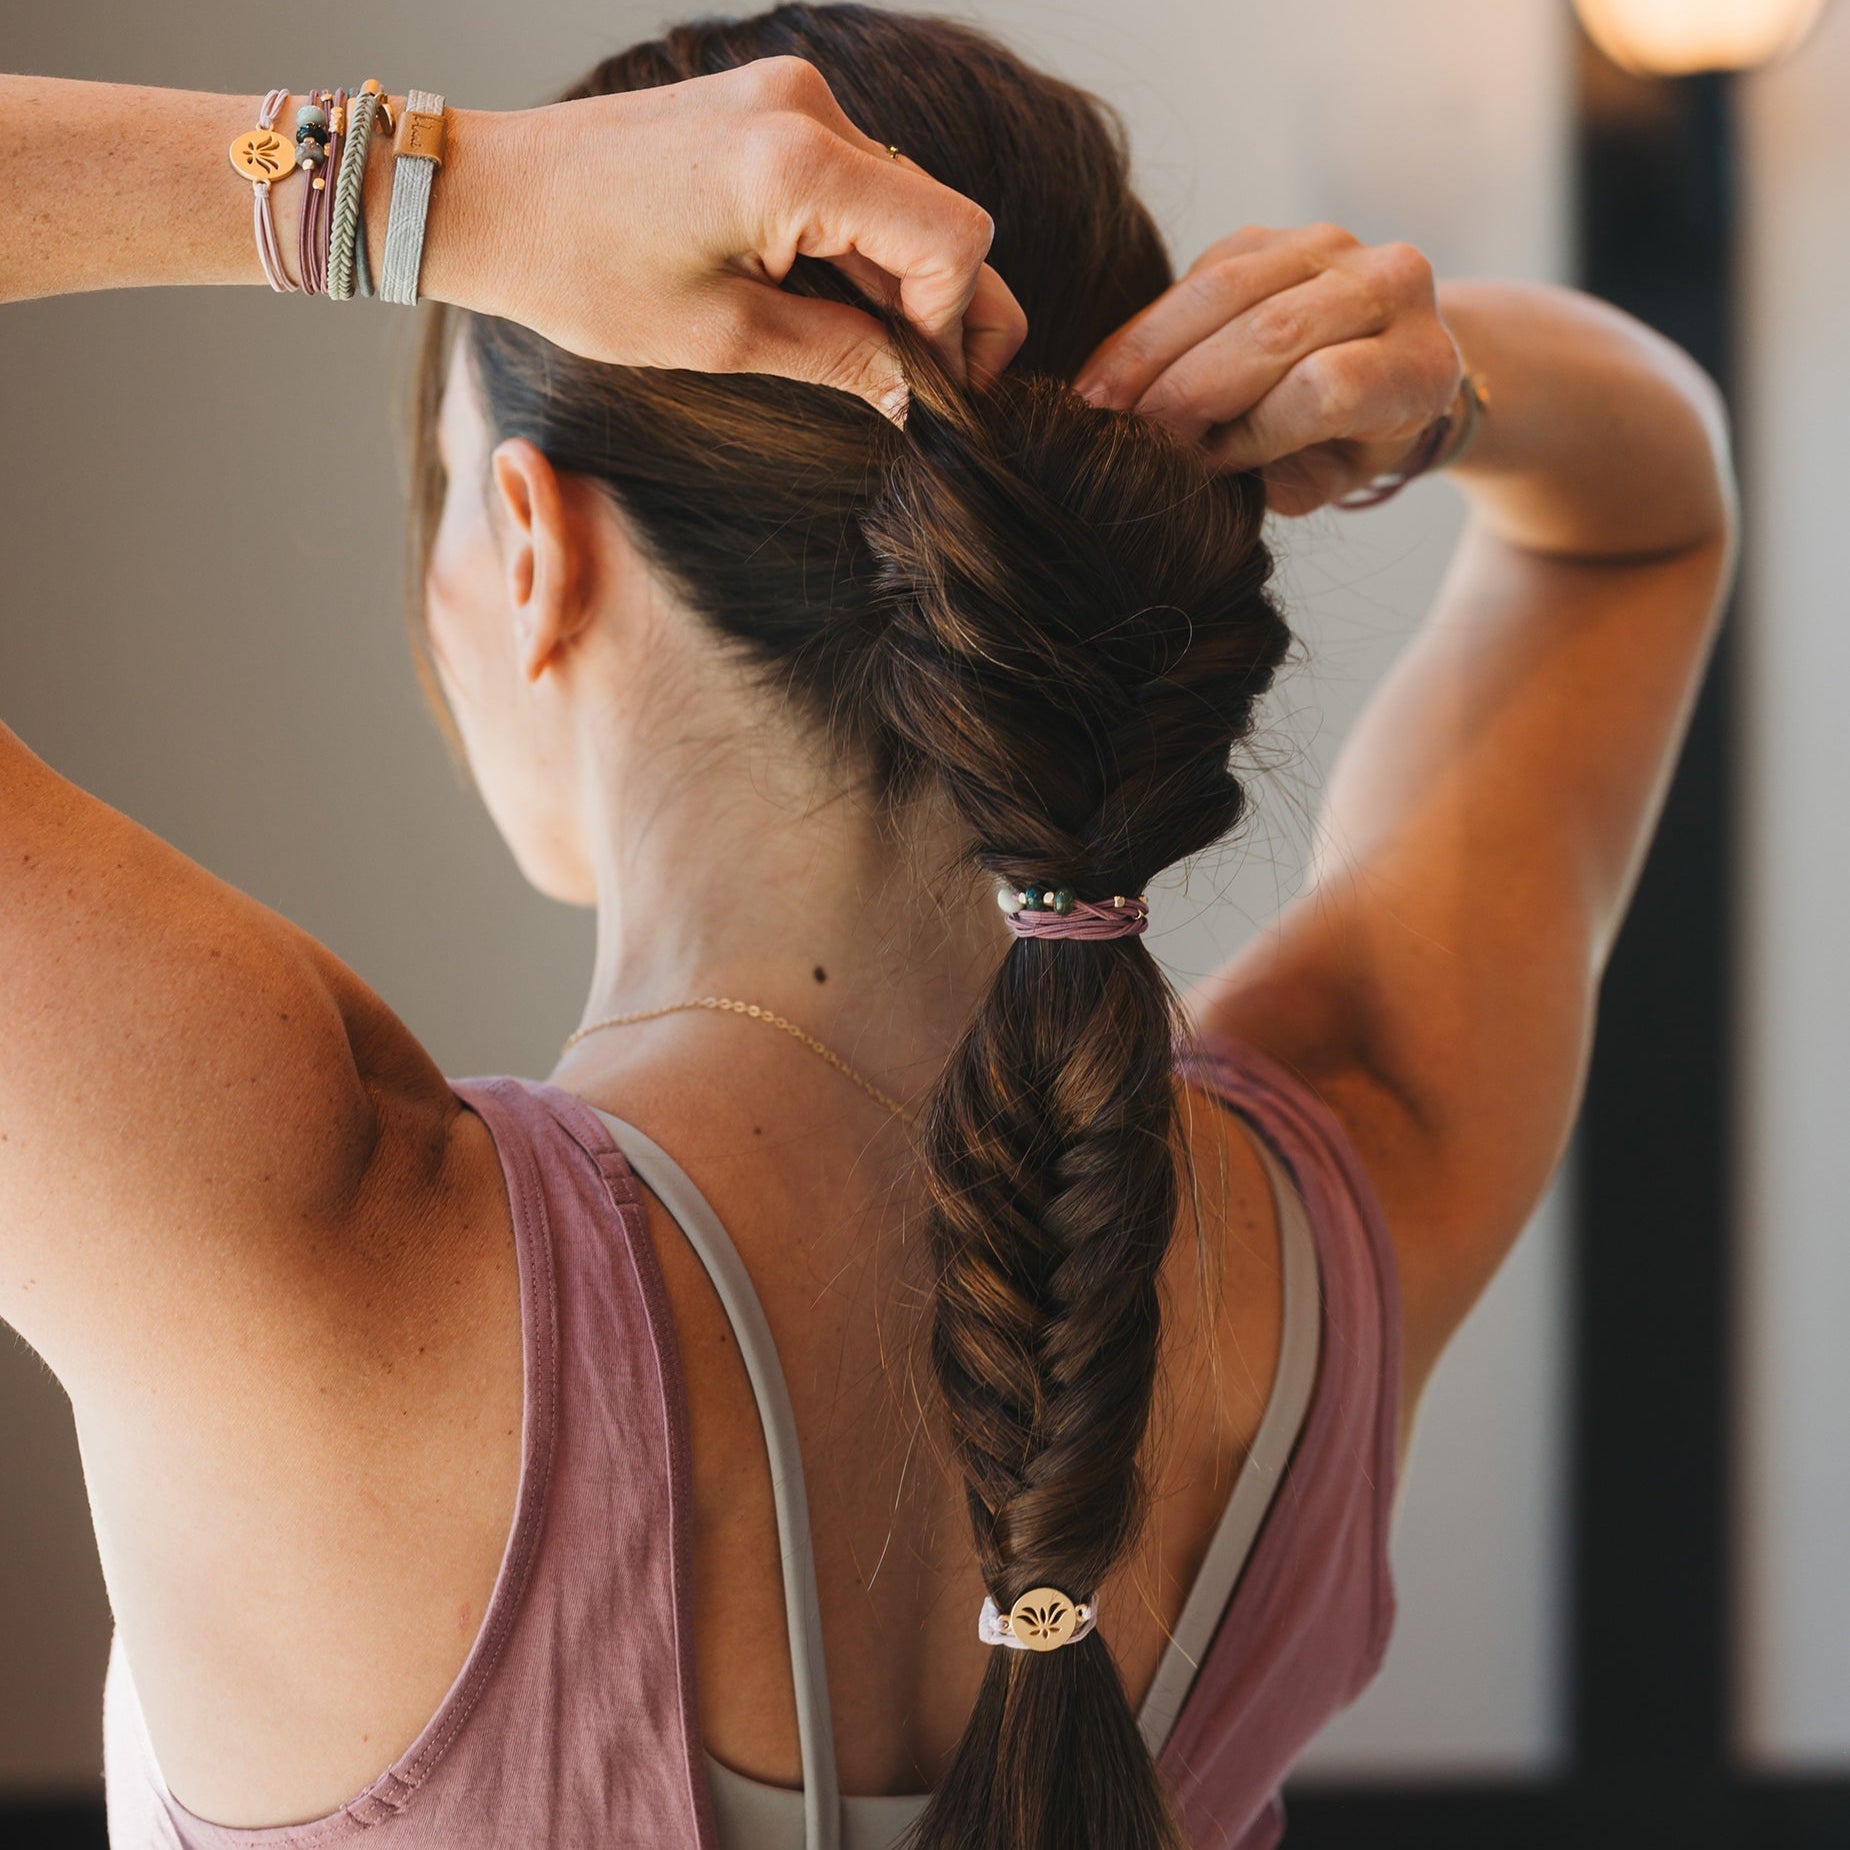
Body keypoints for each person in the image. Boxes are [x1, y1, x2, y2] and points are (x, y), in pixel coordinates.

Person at [0, 6, 1738, 1848]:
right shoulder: (1345, 1184)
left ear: (532, 548)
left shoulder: (288, 1229)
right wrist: (1439, 379)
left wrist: (454, 193)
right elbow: (1636, 519)